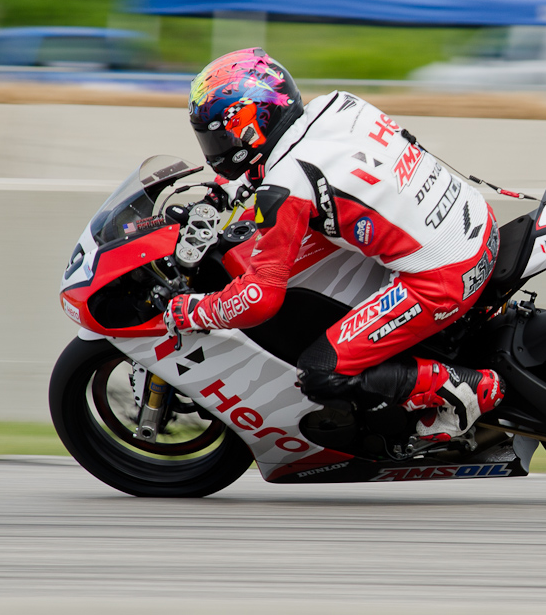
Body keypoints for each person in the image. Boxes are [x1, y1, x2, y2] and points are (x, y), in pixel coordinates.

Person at [164, 47, 504, 442]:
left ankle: (468, 388)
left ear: (248, 126)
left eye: (218, 136)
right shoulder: (337, 104)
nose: (214, 150)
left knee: (320, 372)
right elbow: (295, 165)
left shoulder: (285, 188)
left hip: (442, 277)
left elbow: (259, 298)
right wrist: (220, 193)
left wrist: (192, 310)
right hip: (474, 219)